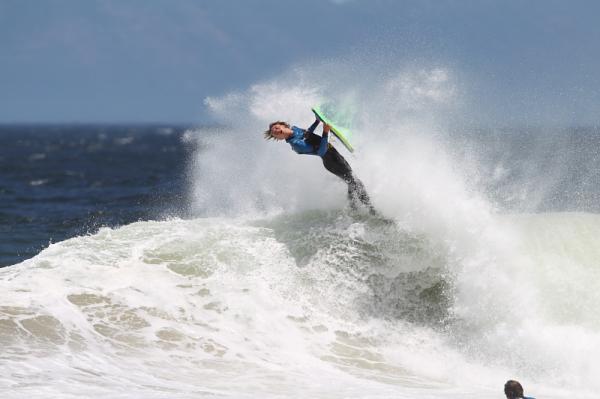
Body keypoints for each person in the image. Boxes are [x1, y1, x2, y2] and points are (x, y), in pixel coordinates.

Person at [264, 116, 375, 213]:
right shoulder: (296, 144)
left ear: (283, 125)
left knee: (352, 181)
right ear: (279, 138)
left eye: (276, 128)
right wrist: (325, 132)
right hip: (331, 162)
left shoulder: (295, 129)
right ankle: (371, 210)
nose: (275, 131)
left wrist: (316, 122)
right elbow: (321, 151)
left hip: (335, 154)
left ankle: (353, 208)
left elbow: (307, 133)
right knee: (355, 182)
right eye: (274, 133)